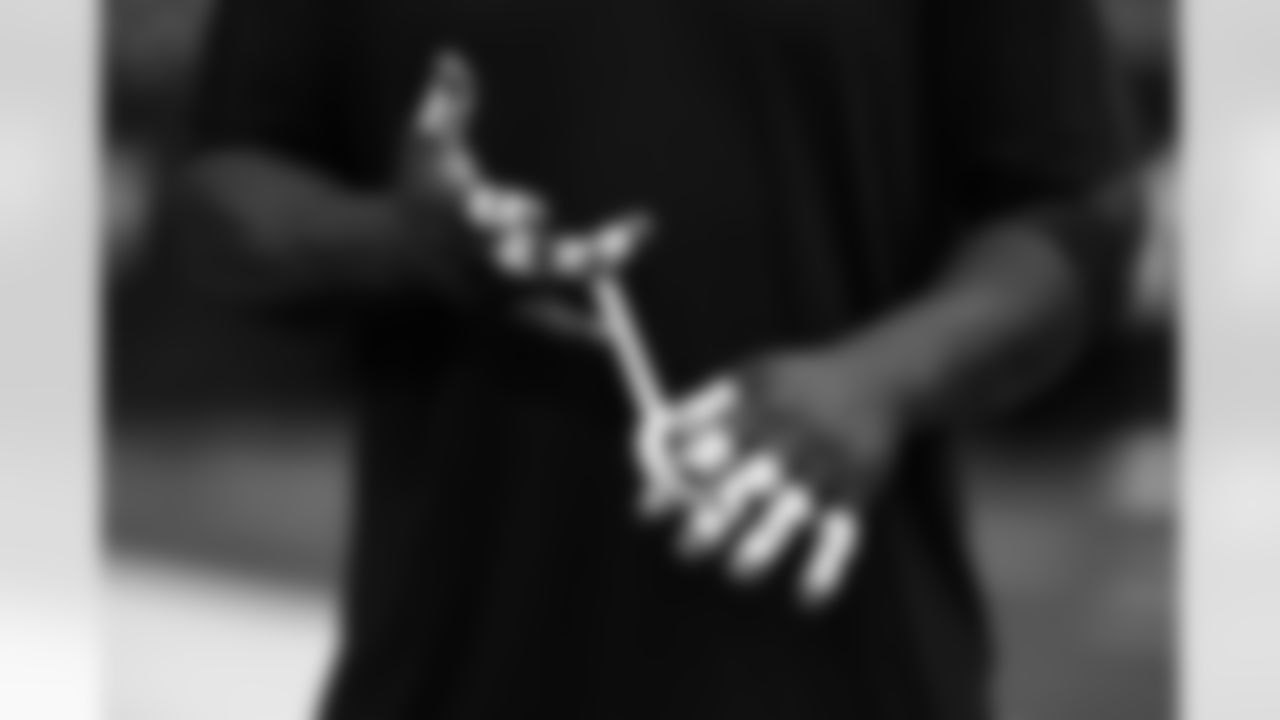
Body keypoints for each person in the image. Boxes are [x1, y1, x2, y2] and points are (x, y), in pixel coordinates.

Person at [161, 0, 1142, 718]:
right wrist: (393, 240)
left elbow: (1074, 206)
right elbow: (223, 181)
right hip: (451, 671)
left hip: (845, 675)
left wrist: (883, 378)